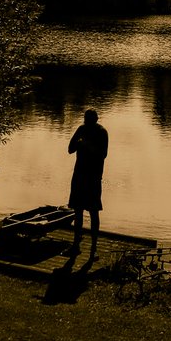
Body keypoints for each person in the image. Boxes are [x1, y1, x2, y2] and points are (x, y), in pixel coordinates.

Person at [67, 107, 108, 259]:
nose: (87, 123)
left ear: (96, 120)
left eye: (89, 120)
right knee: (77, 211)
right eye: (85, 120)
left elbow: (103, 154)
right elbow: (70, 149)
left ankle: (94, 248)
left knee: (93, 212)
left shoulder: (102, 132)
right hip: (79, 176)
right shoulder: (81, 129)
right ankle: (76, 245)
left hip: (93, 178)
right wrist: (78, 142)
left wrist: (86, 145)